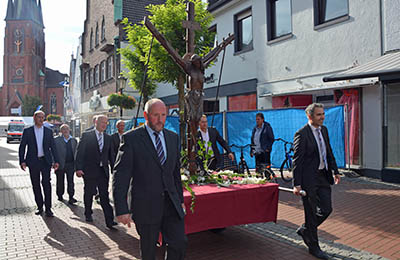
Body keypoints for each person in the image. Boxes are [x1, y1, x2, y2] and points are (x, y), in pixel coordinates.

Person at [113, 98, 187, 260]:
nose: (160, 119)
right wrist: (122, 208)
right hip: (145, 206)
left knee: (179, 243)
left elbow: (174, 173)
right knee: (148, 251)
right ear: (146, 115)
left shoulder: (173, 138)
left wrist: (180, 199)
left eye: (163, 115)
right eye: (156, 115)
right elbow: (121, 174)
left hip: (171, 204)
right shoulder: (131, 139)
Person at [292, 103, 341, 260]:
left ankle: (306, 229)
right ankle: (314, 248)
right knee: (311, 212)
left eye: (323, 114)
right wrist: (296, 184)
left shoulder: (324, 130)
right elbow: (297, 161)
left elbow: (328, 151)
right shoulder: (302, 134)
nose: (322, 117)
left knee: (326, 209)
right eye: (319, 114)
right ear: (309, 116)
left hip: (323, 176)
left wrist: (335, 170)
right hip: (308, 180)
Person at [75, 115, 117, 229]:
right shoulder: (87, 135)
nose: (104, 124)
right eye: (102, 122)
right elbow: (80, 153)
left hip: (103, 172)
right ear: (96, 122)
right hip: (89, 170)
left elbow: (111, 156)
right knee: (89, 192)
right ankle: (88, 213)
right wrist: (78, 168)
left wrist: (114, 170)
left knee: (104, 196)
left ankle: (110, 220)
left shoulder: (108, 138)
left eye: (106, 122)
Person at [18, 110, 60, 217]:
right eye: (39, 117)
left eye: (43, 117)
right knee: (35, 185)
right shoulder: (28, 131)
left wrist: (56, 161)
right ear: (34, 118)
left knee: (47, 184)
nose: (41, 119)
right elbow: (22, 147)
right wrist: (22, 161)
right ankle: (40, 206)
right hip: (33, 162)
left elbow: (53, 147)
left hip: (45, 161)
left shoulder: (48, 131)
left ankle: (48, 208)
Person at [54, 124, 78, 205]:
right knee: (60, 181)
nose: (65, 130)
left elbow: (76, 153)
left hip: (70, 164)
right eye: (63, 129)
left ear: (69, 130)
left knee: (70, 181)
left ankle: (71, 196)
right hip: (60, 164)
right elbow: (53, 152)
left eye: (67, 129)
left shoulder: (74, 140)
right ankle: (60, 195)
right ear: (61, 131)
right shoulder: (56, 140)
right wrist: (54, 162)